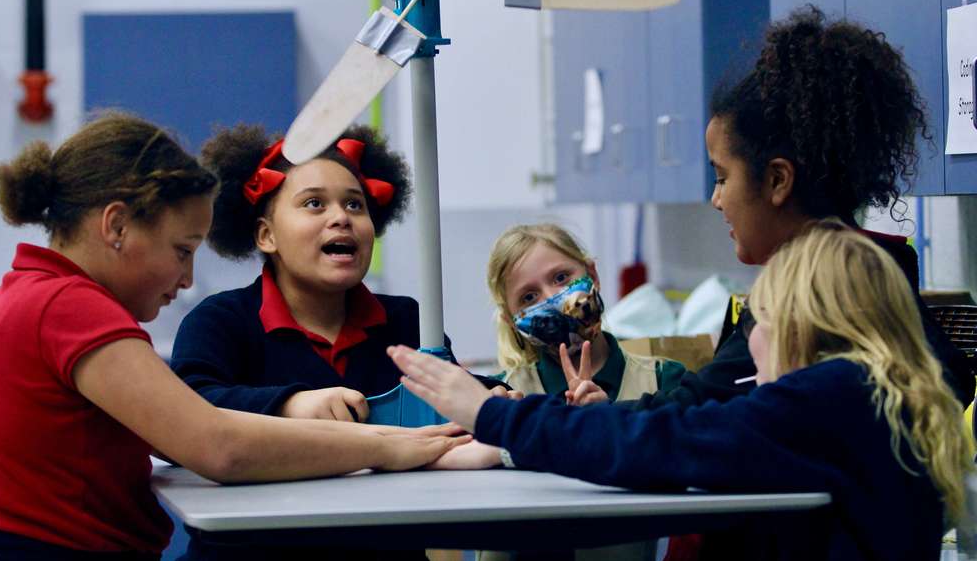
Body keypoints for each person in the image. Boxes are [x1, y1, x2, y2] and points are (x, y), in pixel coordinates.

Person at [0, 113, 466, 561]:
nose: (187, 278)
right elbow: (218, 446)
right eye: (182, 250)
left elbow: (182, 433)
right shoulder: (70, 307)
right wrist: (383, 447)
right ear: (117, 225)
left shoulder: (30, 294)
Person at [389, 221, 973, 560]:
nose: (752, 345)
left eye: (760, 321)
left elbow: (660, 438)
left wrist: (495, 420)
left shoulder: (827, 399)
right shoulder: (880, 398)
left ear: (810, 324)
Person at [610, 5, 971, 411]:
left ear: (778, 180)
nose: (717, 199)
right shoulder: (883, 276)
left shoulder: (809, 305)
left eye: (723, 177)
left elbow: (681, 419)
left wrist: (561, 420)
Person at [170, 123, 499, 559]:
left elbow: (451, 399)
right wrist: (290, 405)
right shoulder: (220, 321)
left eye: (354, 204)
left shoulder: (407, 320)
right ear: (266, 235)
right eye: (313, 203)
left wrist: (504, 401)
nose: (341, 216)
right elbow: (186, 410)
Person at [487, 223, 684, 404]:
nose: (552, 300)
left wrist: (607, 419)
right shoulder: (500, 396)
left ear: (593, 275)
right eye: (529, 297)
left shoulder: (663, 380)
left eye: (561, 277)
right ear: (511, 321)